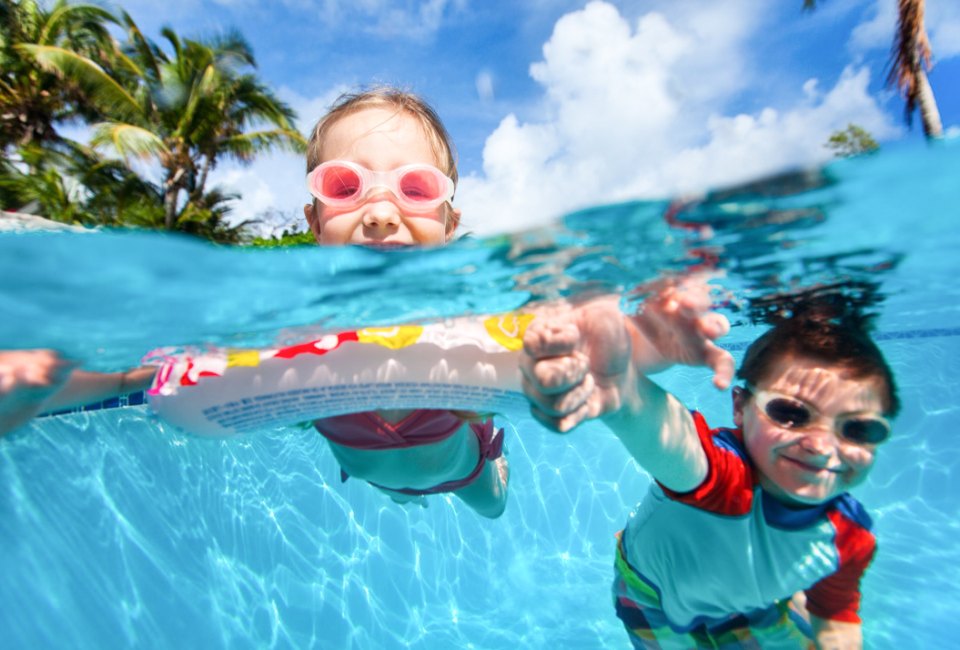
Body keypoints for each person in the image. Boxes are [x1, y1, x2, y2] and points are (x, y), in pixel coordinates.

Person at [0, 88, 509, 519]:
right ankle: (399, 492)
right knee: (396, 492)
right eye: (345, 186)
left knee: (493, 506)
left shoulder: (463, 323)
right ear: (314, 221)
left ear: (448, 224)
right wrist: (42, 383)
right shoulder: (292, 324)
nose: (379, 211)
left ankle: (490, 469)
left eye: (415, 188)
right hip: (371, 468)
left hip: (463, 471)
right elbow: (136, 376)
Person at [521, 278, 898, 648]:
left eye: (859, 428)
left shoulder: (851, 538)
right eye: (790, 413)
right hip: (654, 602)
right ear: (740, 406)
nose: (820, 445)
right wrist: (619, 388)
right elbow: (672, 440)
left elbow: (835, 615)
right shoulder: (725, 479)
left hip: (746, 605)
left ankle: (780, 595)